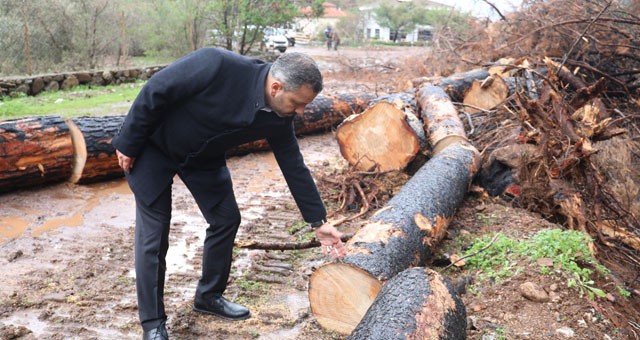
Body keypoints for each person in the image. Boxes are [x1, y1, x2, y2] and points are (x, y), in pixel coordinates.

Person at [112, 48, 347, 340]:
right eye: (298, 104)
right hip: (153, 148)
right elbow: (157, 89)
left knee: (226, 219)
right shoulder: (217, 64)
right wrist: (128, 141)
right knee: (154, 236)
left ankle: (209, 297)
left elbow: (293, 165)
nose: (300, 112)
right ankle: (153, 324)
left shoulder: (278, 115)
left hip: (202, 157)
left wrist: (318, 221)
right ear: (276, 87)